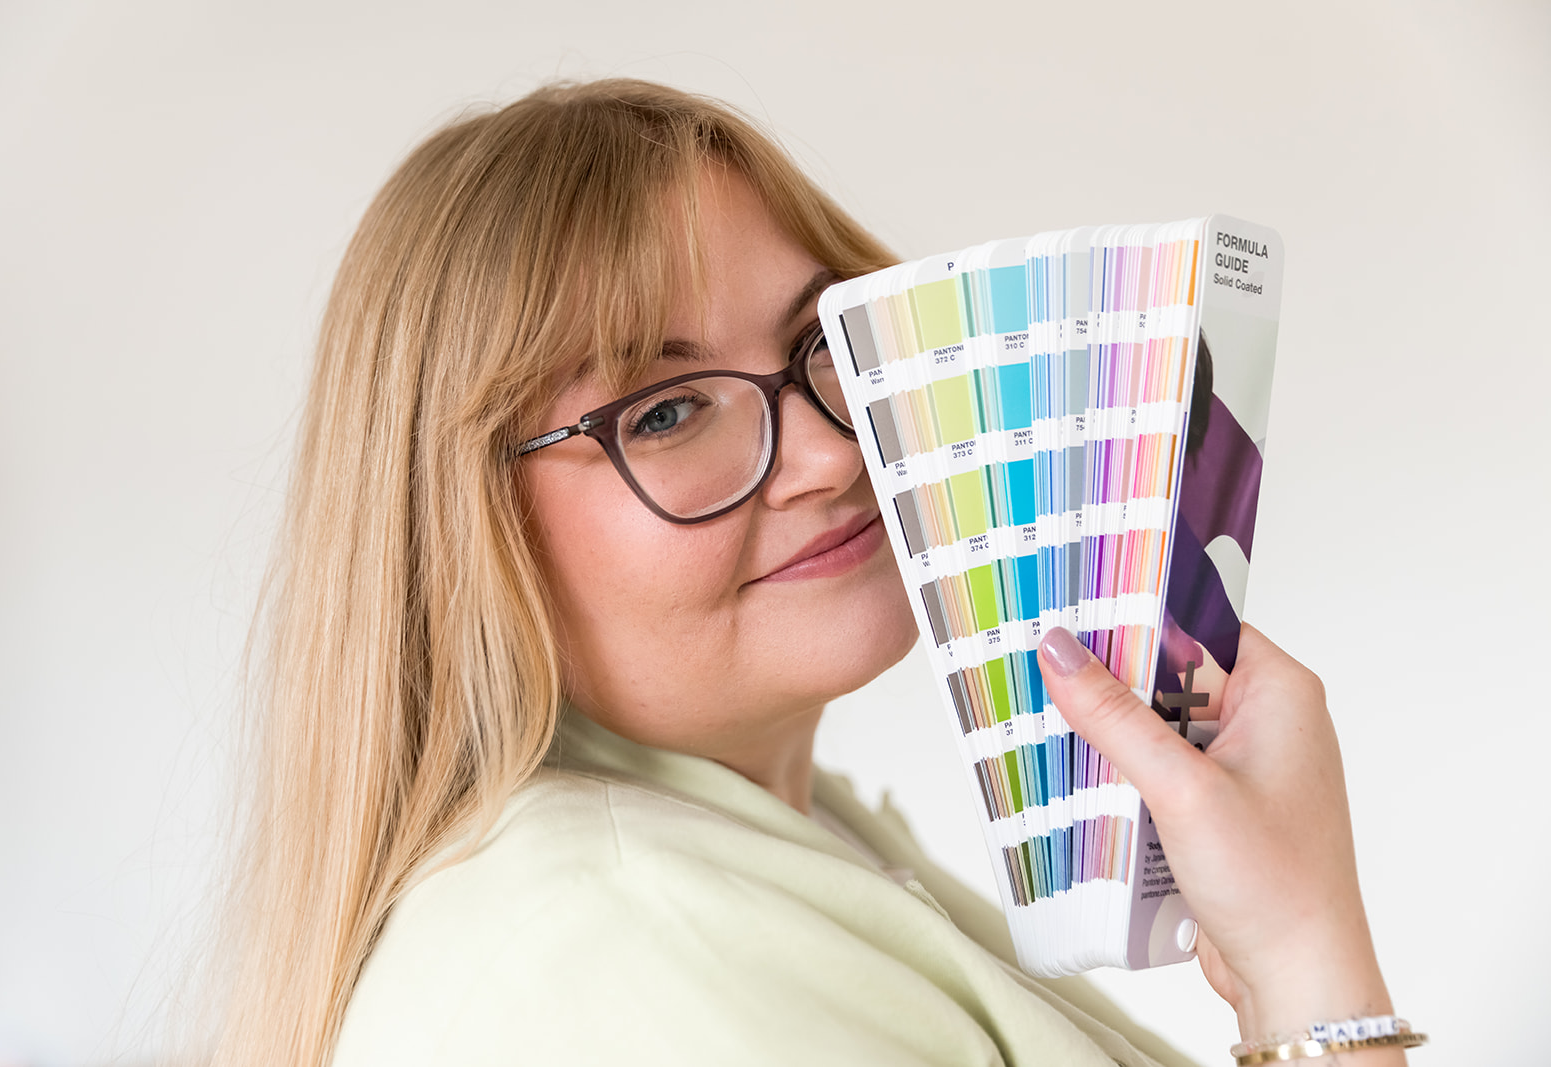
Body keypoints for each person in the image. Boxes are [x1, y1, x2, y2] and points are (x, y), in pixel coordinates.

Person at [207, 80, 1406, 1066]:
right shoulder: (612, 945)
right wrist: (1309, 960)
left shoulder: (769, 841)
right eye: (668, 408)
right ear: (458, 529)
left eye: (816, 344)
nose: (834, 452)